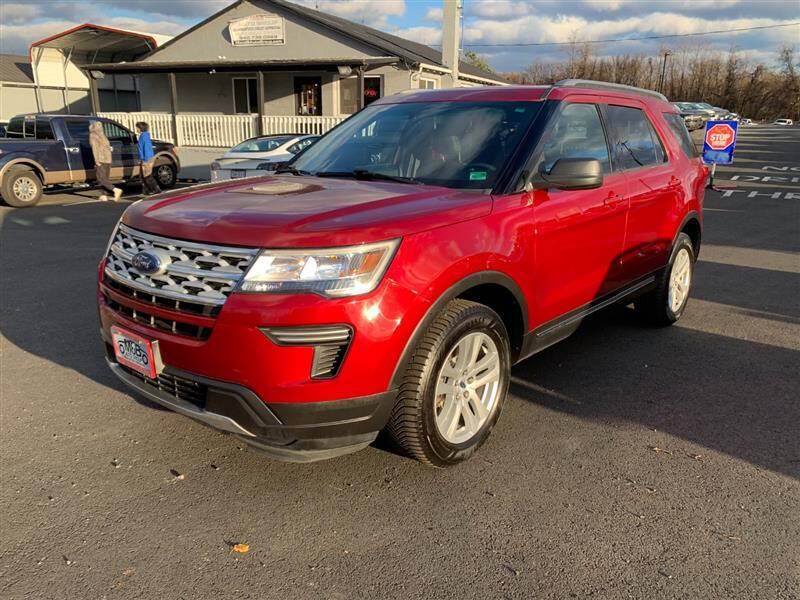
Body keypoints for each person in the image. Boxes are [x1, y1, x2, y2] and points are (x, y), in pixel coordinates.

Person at [88, 121, 122, 202]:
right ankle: (104, 195)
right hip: (108, 160)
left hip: (101, 159)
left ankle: (115, 190)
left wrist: (96, 160)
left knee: (101, 179)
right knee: (105, 178)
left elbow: (95, 149)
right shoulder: (103, 135)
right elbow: (108, 147)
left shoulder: (93, 135)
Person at [135, 121, 160, 195]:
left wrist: (144, 159)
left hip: (147, 158)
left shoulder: (144, 136)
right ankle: (146, 190)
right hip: (146, 158)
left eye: (137, 127)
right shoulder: (143, 136)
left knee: (147, 176)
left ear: (140, 128)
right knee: (142, 176)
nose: (136, 129)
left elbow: (145, 148)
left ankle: (156, 189)